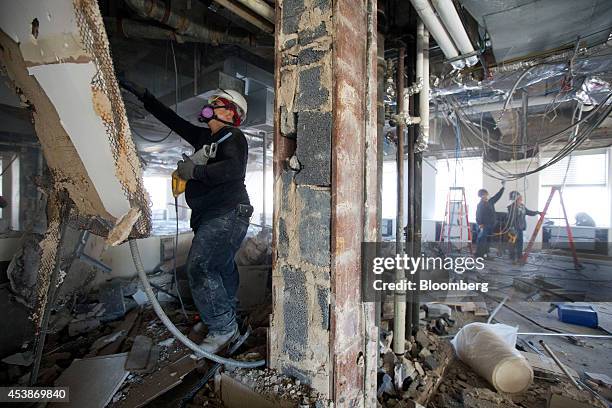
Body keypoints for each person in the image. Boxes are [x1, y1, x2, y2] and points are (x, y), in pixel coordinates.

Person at [120, 79, 252, 353]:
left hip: (228, 212)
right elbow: (172, 120)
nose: (210, 106)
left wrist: (195, 172)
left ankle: (223, 327)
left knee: (201, 266)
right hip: (214, 215)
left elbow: (233, 171)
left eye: (217, 103)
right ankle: (227, 317)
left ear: (231, 113)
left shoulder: (233, 137)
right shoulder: (205, 138)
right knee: (221, 266)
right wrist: (144, 94)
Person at [507, 191, 542, 265]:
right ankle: (512, 258)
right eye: (520, 197)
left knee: (520, 243)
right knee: (512, 243)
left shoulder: (522, 206)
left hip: (520, 227)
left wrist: (538, 212)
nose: (521, 199)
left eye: (521, 197)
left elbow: (528, 212)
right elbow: (510, 218)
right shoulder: (511, 207)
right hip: (514, 228)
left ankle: (520, 256)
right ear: (516, 198)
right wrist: (511, 228)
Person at [475, 182, 505, 258]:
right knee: (482, 240)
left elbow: (497, 196)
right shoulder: (480, 205)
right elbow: (478, 215)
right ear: (481, 196)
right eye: (485, 194)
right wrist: (480, 224)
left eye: (486, 194)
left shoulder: (490, 202)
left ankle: (486, 254)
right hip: (484, 225)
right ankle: (479, 254)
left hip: (491, 224)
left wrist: (503, 188)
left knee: (488, 240)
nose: (486, 195)